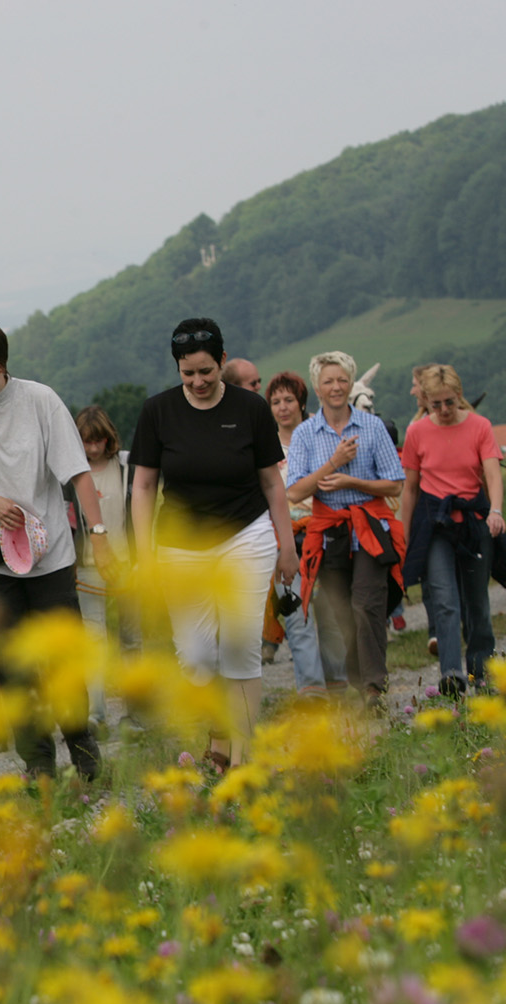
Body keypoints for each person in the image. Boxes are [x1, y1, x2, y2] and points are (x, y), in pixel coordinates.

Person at [0, 321, 112, 780]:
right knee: (11, 666)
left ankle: (82, 745)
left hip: (50, 553)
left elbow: (78, 475)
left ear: (4, 361)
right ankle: (37, 764)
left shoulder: (40, 400)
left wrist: (99, 534)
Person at [130, 318, 298, 769]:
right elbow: (143, 487)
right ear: (178, 369)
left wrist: (287, 545)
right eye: (188, 374)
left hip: (246, 534)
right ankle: (219, 729)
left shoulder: (250, 409)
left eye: (206, 371)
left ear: (222, 361)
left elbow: (271, 482)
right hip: (181, 547)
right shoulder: (157, 412)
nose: (198, 382)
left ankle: (239, 758)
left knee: (242, 648)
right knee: (197, 658)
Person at [285, 352, 406, 708]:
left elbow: (395, 484)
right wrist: (333, 465)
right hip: (329, 532)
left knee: (367, 605)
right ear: (317, 388)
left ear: (351, 384)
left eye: (342, 380)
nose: (336, 387)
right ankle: (359, 677)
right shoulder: (307, 432)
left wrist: (354, 480)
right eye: (328, 381)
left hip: (369, 527)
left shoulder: (372, 427)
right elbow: (295, 491)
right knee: (342, 613)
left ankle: (372, 687)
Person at [399, 364, 504, 698]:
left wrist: (496, 511)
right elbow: (411, 488)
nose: (443, 411)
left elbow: (492, 474)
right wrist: (403, 531)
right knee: (444, 601)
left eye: (449, 403)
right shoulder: (417, 432)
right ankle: (452, 673)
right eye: (436, 405)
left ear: (459, 396)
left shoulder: (480, 427)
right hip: (435, 523)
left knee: (477, 602)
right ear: (425, 402)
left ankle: (481, 670)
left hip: (473, 519)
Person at [262, 371, 341, 695]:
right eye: (276, 401)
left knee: (330, 613)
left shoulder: (319, 438)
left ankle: (337, 685)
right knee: (296, 614)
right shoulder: (264, 446)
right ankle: (311, 694)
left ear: (301, 402)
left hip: (324, 533)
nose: (282, 407)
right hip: (282, 539)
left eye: (288, 400)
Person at [73, 405, 135, 727]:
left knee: (131, 639)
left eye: (98, 441)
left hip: (127, 563)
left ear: (109, 438)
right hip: (87, 566)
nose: (93, 448)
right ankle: (95, 715)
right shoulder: (69, 474)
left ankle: (135, 715)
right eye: (86, 441)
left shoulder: (127, 466)